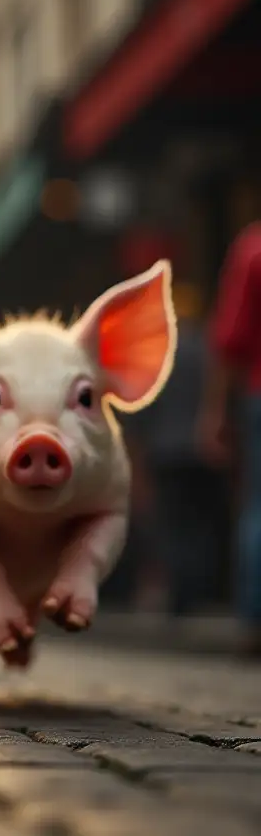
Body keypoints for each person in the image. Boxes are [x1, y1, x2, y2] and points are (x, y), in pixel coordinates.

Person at [127, 283, 226, 617]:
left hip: (165, 452)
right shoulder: (209, 351)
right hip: (201, 451)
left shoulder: (159, 354)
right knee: (201, 524)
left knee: (171, 525)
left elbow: (141, 412)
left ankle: (179, 598)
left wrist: (137, 461)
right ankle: (201, 593)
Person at [198, 220, 261, 656]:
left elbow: (231, 339)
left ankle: (255, 622)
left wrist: (216, 411)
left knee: (258, 508)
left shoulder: (253, 249)